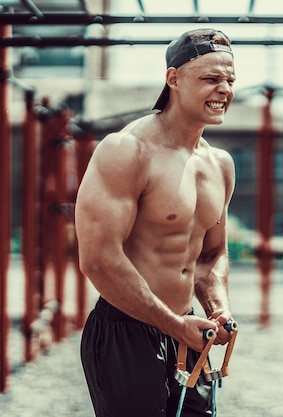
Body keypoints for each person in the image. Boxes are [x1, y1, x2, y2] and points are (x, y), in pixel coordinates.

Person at [75, 28, 237, 417]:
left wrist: (218, 308)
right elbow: (98, 260)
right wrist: (174, 325)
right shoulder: (126, 150)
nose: (224, 90)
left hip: (186, 328)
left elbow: (212, 254)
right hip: (124, 331)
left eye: (230, 80)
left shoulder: (220, 164)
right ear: (173, 79)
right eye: (211, 79)